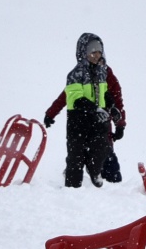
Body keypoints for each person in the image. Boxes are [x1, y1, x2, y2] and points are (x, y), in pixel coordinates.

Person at [44, 32, 126, 187]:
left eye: (99, 52)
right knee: (77, 156)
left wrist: (119, 122)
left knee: (104, 155)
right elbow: (68, 95)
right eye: (92, 52)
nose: (96, 56)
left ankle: (113, 189)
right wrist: (51, 113)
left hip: (101, 123)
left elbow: (114, 98)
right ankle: (75, 183)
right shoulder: (78, 73)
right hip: (81, 121)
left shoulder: (105, 73)